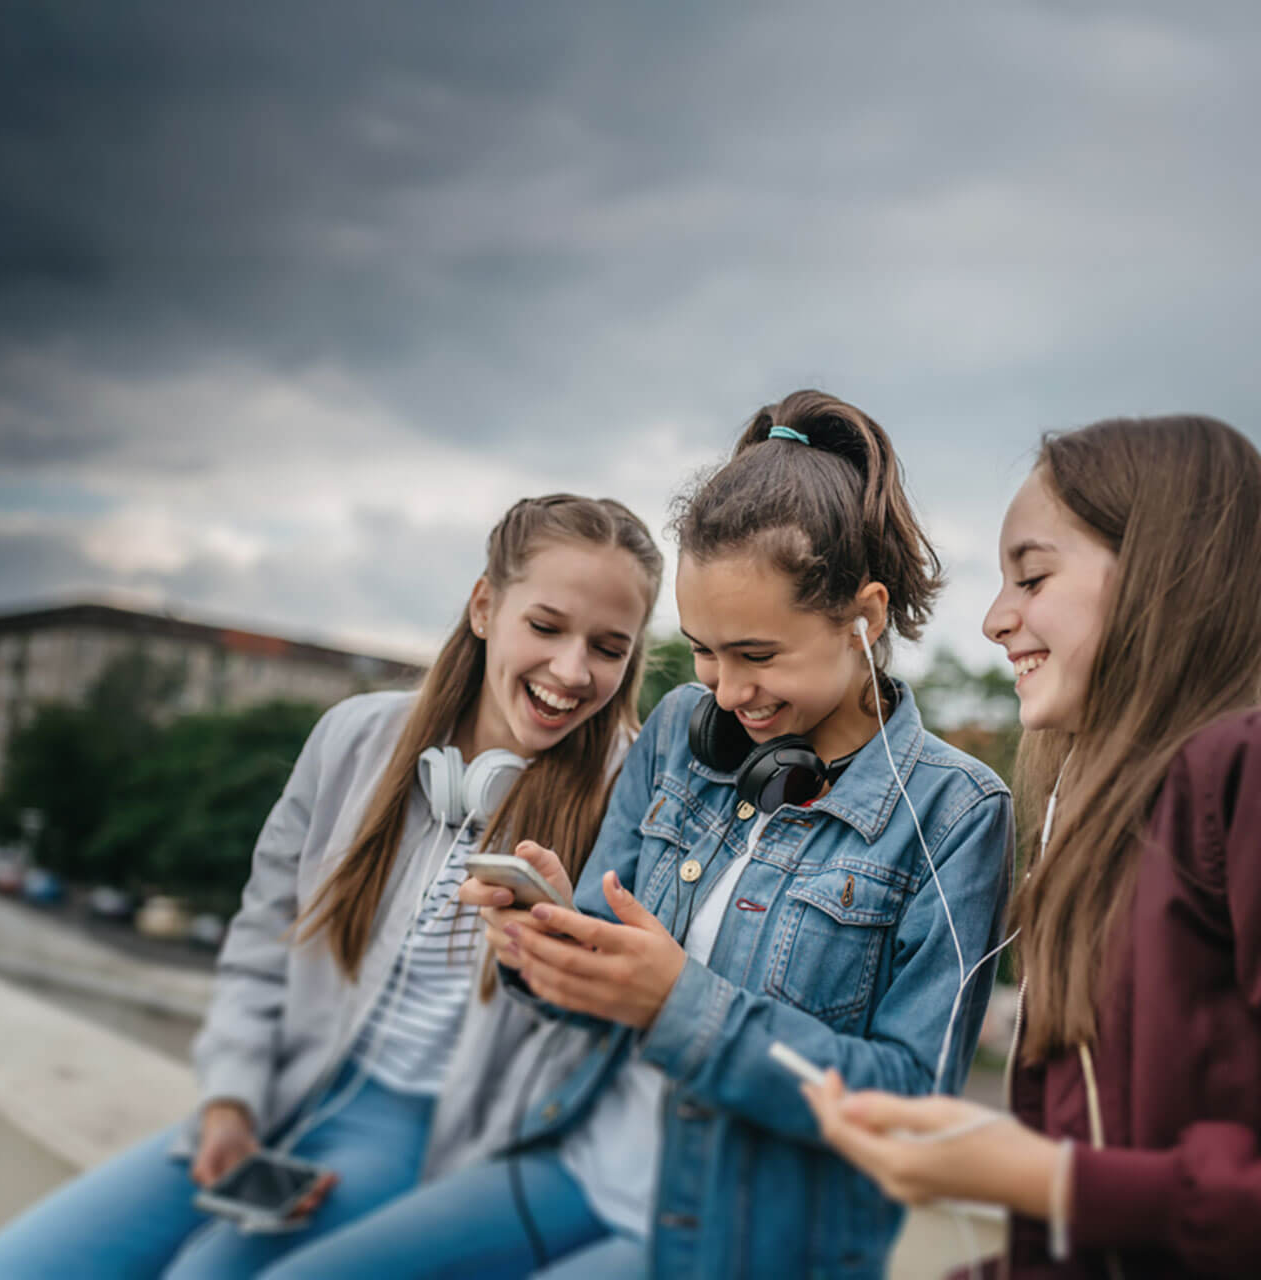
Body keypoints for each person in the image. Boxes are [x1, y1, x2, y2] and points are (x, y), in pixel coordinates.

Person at [267, 390, 1018, 1279]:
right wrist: (543, 940)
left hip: (739, 1248)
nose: (725, 690)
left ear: (867, 617)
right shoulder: (677, 733)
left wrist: (677, 1002)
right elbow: (582, 991)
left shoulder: (957, 813)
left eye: (757, 653)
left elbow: (913, 1108)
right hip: (574, 1167)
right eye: (703, 649)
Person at [802, 414, 1261, 1278]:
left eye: (1030, 575)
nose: (996, 619)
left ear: (1161, 578)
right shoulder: (1100, 837)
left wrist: (1056, 1180)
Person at [0, 494, 665, 1278]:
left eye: (608, 647)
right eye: (547, 626)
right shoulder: (355, 739)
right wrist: (230, 1096)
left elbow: (611, 1027)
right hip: (279, 1099)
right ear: (486, 606)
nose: (572, 671)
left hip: (430, 1143)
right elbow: (263, 935)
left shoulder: (633, 800)